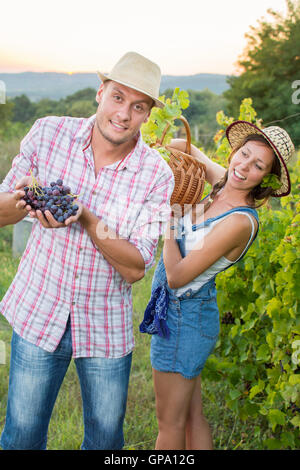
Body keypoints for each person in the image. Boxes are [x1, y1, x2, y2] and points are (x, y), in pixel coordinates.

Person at [0, 51, 174, 450]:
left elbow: (135, 268)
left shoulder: (156, 175)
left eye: (138, 106)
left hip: (105, 325)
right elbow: (2, 211)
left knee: (105, 441)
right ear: (100, 93)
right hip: (38, 310)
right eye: (117, 97)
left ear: (147, 114)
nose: (124, 114)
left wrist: (87, 219)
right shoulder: (48, 133)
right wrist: (27, 199)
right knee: (21, 436)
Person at [140, 120, 295, 450]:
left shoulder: (239, 220)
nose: (243, 166)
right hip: (185, 314)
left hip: (186, 319)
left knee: (168, 423)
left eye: (257, 166)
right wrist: (158, 147)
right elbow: (184, 145)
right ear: (235, 151)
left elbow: (177, 276)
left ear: (265, 179)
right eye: (244, 154)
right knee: (191, 417)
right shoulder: (220, 183)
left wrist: (168, 221)